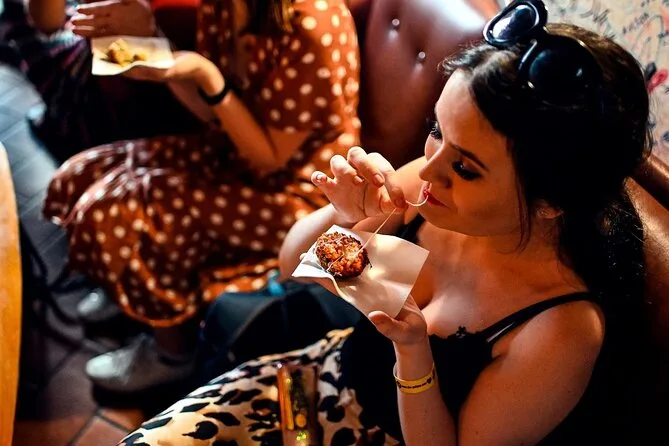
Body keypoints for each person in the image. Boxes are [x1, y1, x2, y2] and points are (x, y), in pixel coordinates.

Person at [116, 1, 652, 444]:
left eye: (466, 168)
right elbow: (293, 266)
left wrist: (414, 351)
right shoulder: (434, 187)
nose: (430, 169)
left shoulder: (561, 330)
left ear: (551, 202)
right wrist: (350, 220)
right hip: (320, 377)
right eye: (436, 130)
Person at [42, 0, 360, 392]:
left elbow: (269, 159)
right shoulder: (224, 5)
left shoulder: (312, 25)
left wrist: (206, 75)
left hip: (298, 192)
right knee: (81, 174)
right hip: (232, 151)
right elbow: (211, 112)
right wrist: (154, 44)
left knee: (118, 214)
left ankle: (172, 353)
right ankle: (126, 285)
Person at [0, 0, 202, 155]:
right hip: (129, 70)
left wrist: (150, 38)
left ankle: (65, 121)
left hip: (147, 107)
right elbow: (48, 23)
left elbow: (206, 102)